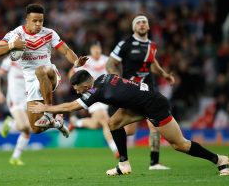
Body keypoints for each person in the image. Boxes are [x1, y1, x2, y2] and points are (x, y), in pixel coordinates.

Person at [28, 70, 229, 176]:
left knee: (180, 144)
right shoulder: (104, 78)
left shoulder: (96, 90)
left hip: (154, 105)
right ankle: (123, 164)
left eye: (79, 89)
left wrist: (45, 108)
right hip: (140, 103)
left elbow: (71, 107)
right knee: (113, 122)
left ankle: (220, 160)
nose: (79, 92)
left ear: (87, 85)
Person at [0, 3, 88, 136]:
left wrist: (76, 61)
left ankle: (49, 113)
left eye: (41, 21)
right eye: (35, 21)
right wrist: (12, 45)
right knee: (35, 129)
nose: (38, 24)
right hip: (32, 83)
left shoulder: (49, 33)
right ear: (27, 20)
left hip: (50, 74)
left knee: (40, 70)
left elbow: (65, 51)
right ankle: (57, 123)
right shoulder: (16, 34)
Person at [106, 14, 174, 170]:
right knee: (128, 130)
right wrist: (116, 79)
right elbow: (110, 63)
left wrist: (164, 74)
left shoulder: (152, 46)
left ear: (148, 27)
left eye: (144, 22)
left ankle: (154, 162)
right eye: (138, 22)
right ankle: (116, 144)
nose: (142, 24)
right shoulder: (125, 44)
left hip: (148, 90)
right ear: (133, 27)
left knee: (154, 125)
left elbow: (153, 64)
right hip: (131, 91)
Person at [68, 41, 118, 157]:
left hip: (105, 94)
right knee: (105, 121)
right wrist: (77, 85)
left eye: (98, 49)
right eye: (94, 49)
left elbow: (114, 74)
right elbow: (71, 75)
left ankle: (76, 122)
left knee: (97, 124)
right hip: (91, 93)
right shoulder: (86, 61)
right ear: (90, 50)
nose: (96, 51)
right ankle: (116, 150)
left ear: (101, 49)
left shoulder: (106, 60)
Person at [0, 56, 31, 165]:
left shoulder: (33, 60)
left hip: (28, 99)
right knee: (25, 126)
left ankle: (15, 157)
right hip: (15, 99)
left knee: (28, 129)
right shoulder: (10, 61)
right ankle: (10, 123)